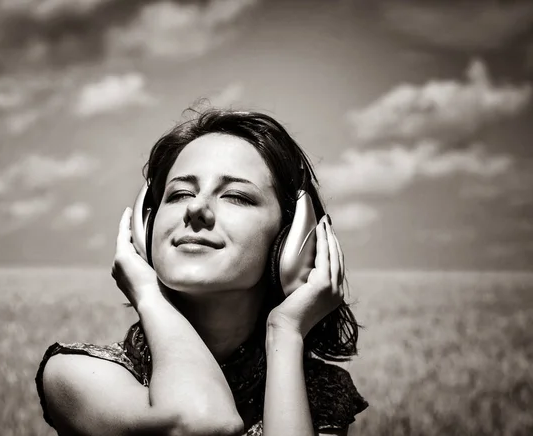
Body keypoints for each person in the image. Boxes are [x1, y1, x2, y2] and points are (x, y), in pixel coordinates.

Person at [35, 109, 368, 436]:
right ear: (145, 225)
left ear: (292, 237)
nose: (196, 208)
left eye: (236, 196)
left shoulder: (319, 393)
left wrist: (285, 332)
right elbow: (202, 422)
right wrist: (148, 295)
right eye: (180, 194)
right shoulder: (77, 374)